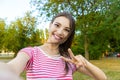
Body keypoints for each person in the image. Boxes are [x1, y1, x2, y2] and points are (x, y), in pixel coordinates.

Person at [0, 12, 107, 80]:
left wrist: (85, 63)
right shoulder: (31, 53)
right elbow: (11, 68)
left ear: (69, 35)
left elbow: (102, 78)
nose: (60, 32)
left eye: (66, 30)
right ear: (50, 25)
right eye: (57, 25)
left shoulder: (69, 60)